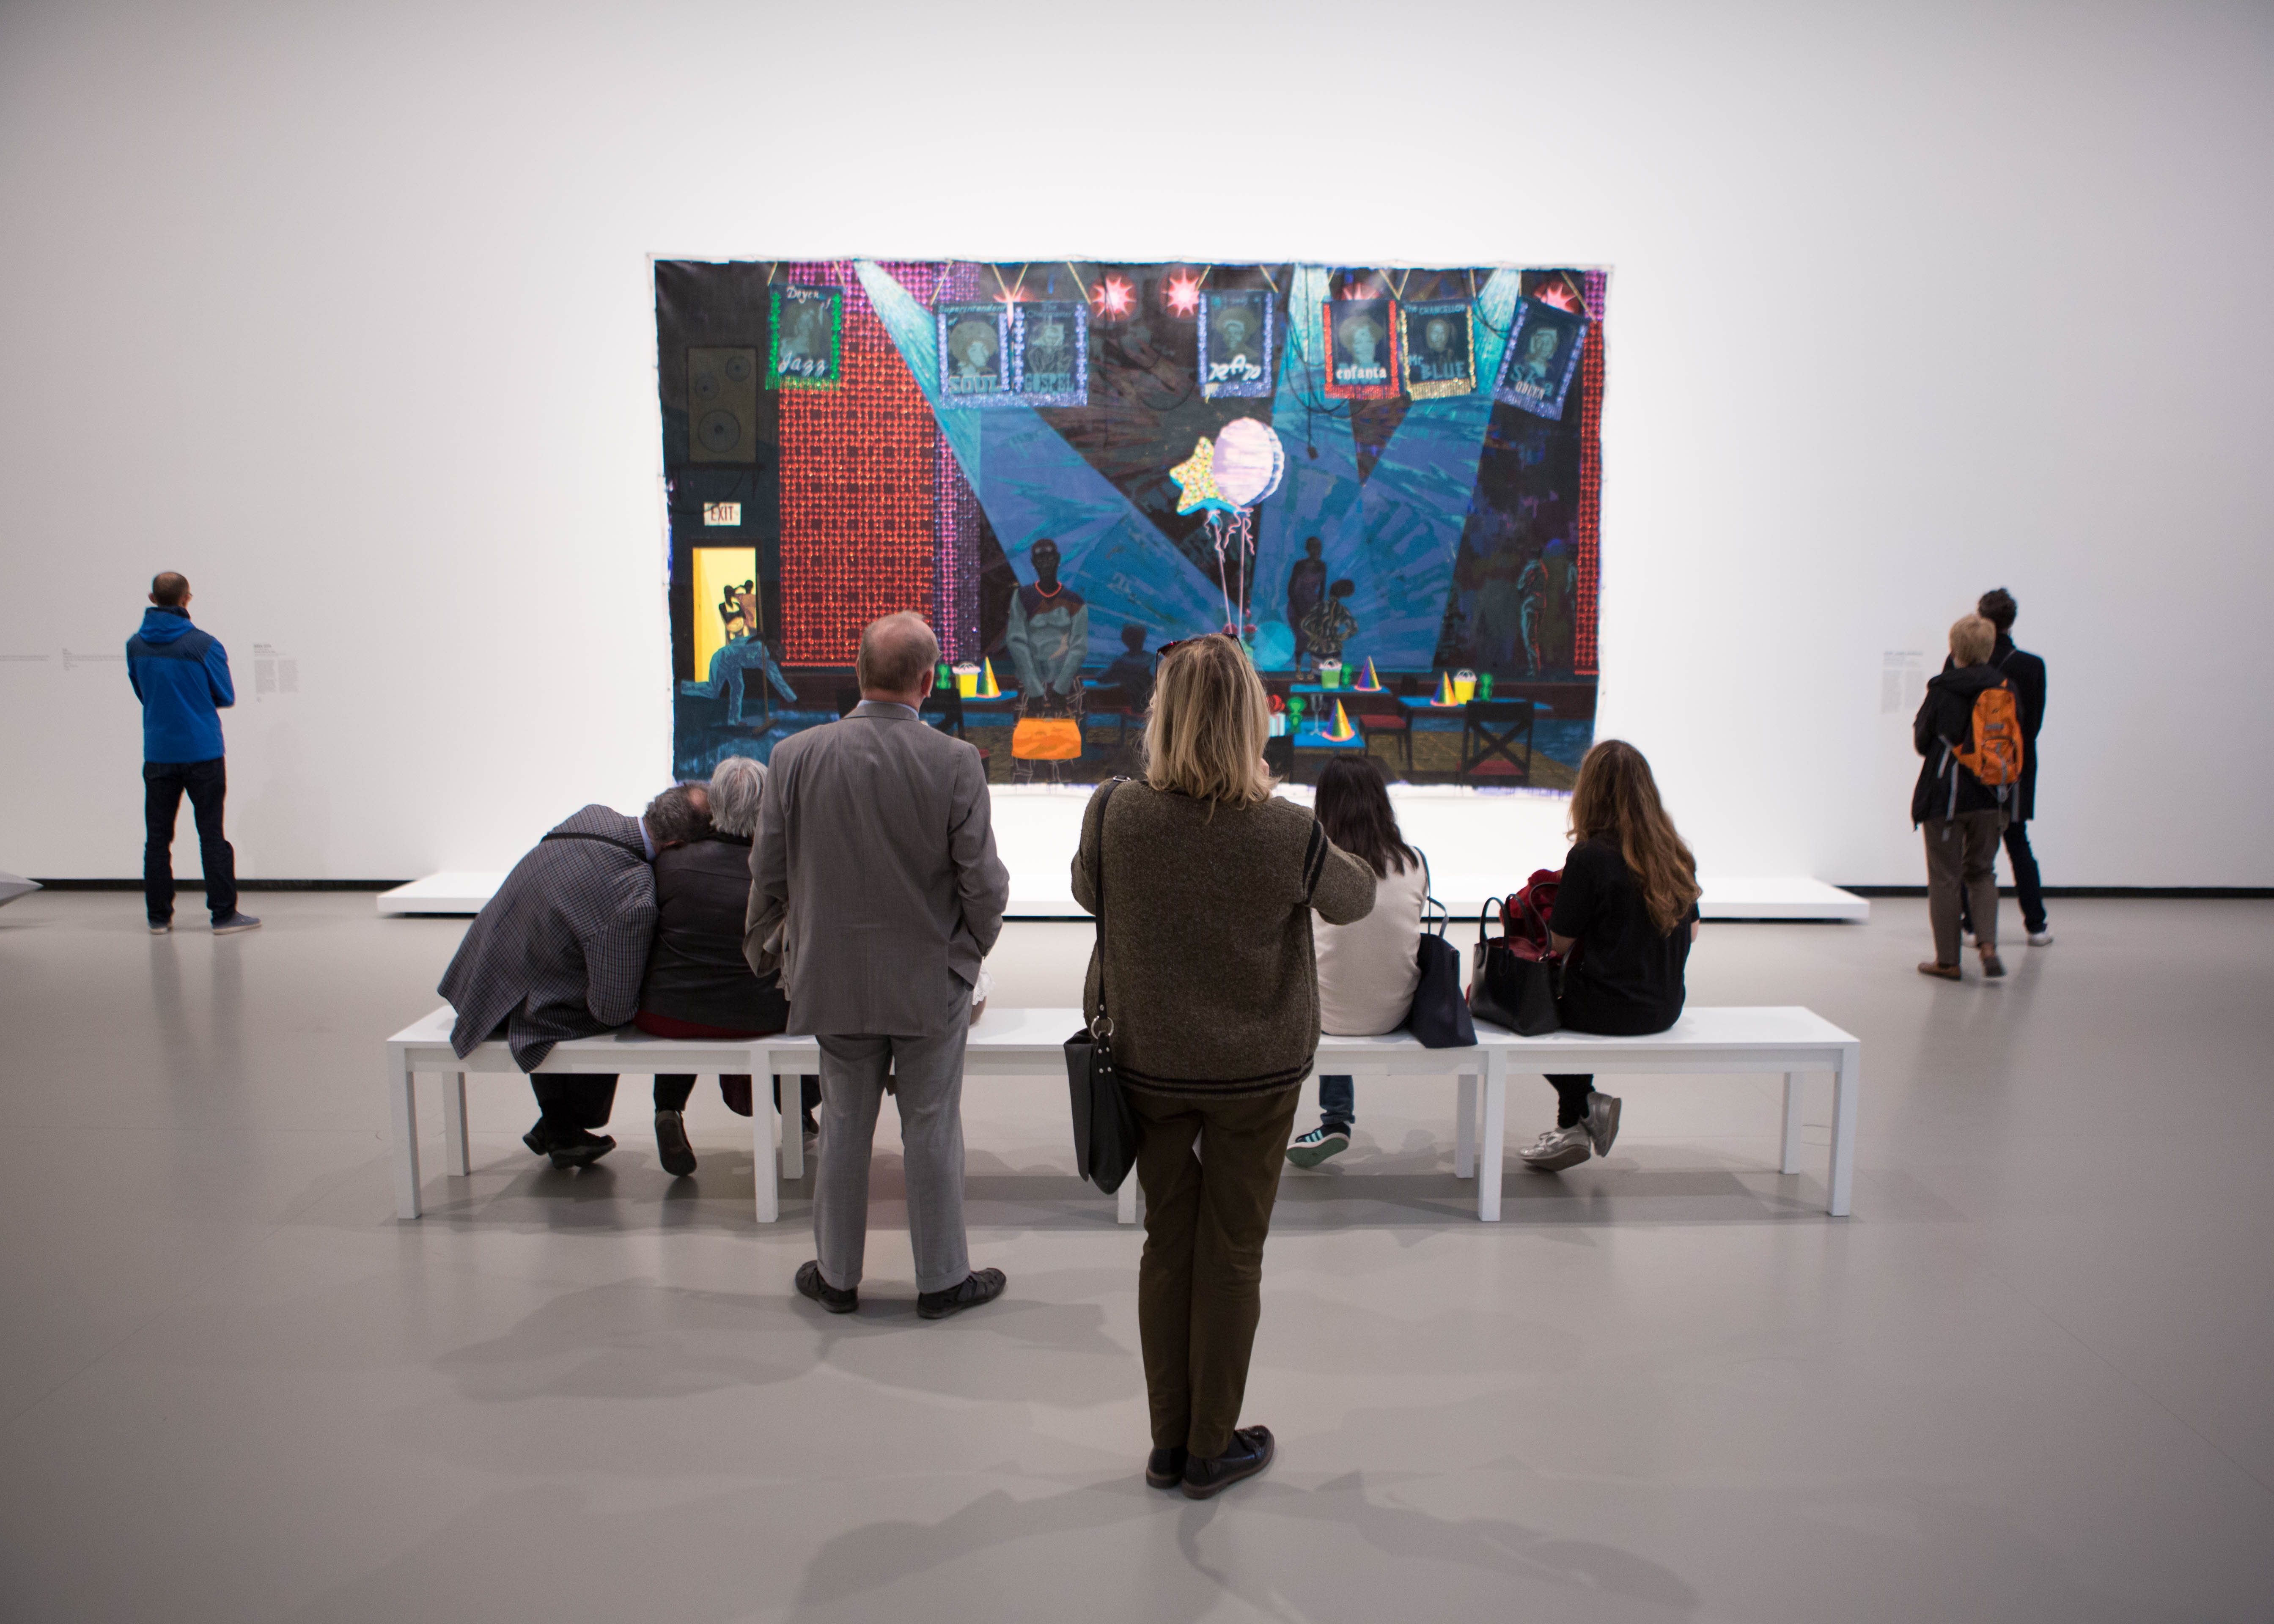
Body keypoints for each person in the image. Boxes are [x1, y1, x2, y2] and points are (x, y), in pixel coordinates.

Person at [1073, 633, 1376, 1499]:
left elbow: (1089, 891)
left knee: (1167, 1245)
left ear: (1162, 716)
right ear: (1253, 721)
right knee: (1234, 1252)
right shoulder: (1286, 829)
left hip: (1149, 1066)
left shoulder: (1115, 811)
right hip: (1257, 1074)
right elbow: (1354, 898)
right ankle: (1212, 1447)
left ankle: (1168, 1445)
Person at [747, 612, 1011, 1320]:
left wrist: (781, 946)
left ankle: (836, 1277)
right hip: (929, 983)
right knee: (931, 1126)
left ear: (858, 673)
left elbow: (768, 871)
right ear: (928, 681)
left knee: (841, 1124)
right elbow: (984, 886)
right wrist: (967, 956)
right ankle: (942, 1281)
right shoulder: (956, 762)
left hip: (833, 978)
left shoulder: (793, 757)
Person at [438, 784, 713, 1167]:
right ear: (679, 846)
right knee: (617, 1010)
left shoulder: (591, 816)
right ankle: (564, 1122)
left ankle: (555, 1124)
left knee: (574, 982)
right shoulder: (634, 894)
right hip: (511, 1006)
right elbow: (612, 1009)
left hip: (478, 978)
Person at [1518, 740, 1702, 1173]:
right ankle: (1570, 1129)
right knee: (1565, 998)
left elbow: (1559, 944)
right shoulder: (1674, 854)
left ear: (1589, 793)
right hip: (1666, 1007)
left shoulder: (1589, 857)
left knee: (1521, 1006)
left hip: (1609, 1008)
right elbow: (1692, 933)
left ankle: (1584, 1104)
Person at [635, 756, 819, 1178]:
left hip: (668, 1015)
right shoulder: (782, 869)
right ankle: (798, 1112)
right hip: (757, 1016)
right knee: (776, 998)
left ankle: (668, 1110)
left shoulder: (670, 862)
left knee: (690, 992)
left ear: (713, 804)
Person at [1286, 757, 1429, 1168]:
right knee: (1351, 973)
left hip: (1328, 1015)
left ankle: (1334, 1118)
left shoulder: (1315, 862)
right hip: (1395, 1011)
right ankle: (1334, 1119)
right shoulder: (1414, 862)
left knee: (1324, 980)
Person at [128, 572, 259, 935]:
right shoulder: (204, 645)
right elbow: (225, 695)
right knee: (212, 835)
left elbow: (142, 693)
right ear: (187, 598)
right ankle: (224, 915)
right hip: (203, 751)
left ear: (152, 598)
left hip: (159, 752)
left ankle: (158, 918)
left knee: (157, 839)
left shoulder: (135, 646)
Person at [1911, 614, 2016, 981]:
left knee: (1945, 877)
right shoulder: (2006, 687)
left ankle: (1948, 961)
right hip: (1992, 796)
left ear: (1954, 648)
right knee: (1983, 872)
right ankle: (1988, 946)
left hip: (1946, 796)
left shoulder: (1943, 689)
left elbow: (1922, 742)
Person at [1958, 588, 2051, 946]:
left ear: (1981, 618)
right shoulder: (2031, 665)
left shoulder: (1961, 664)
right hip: (2016, 769)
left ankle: (1970, 925)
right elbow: (2033, 726)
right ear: (2012, 621)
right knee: (2018, 843)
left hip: (1974, 768)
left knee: (1972, 848)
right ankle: (2036, 926)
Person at [1005, 537, 1090, 785]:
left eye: (1050, 557)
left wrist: (1061, 687)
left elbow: (1079, 647)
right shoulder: (1023, 597)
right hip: (1031, 681)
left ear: (1058, 560)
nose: (1045, 563)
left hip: (1067, 684)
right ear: (1033, 562)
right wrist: (1033, 688)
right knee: (1027, 750)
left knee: (1064, 752)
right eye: (1040, 558)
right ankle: (1023, 798)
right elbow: (1017, 641)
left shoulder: (1075, 602)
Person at [1286, 537, 1327, 670]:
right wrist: (1299, 612)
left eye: (1319, 547)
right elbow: (1291, 589)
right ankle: (1298, 668)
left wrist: (1318, 610)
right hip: (1297, 605)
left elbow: (1322, 590)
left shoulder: (1322, 566)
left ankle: (1313, 670)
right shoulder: (1300, 565)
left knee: (1314, 637)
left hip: (1313, 606)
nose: (1318, 550)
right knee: (1301, 636)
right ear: (1308, 549)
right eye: (1314, 547)